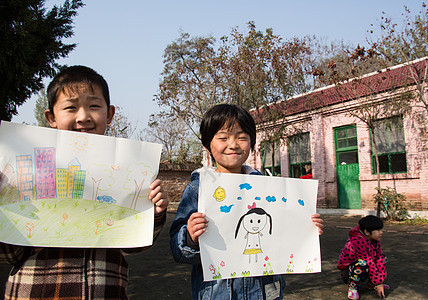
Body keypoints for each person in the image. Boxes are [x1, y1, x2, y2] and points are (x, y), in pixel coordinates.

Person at [0, 65, 168, 299]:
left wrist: (155, 213)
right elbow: (9, 255)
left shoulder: (128, 170)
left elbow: (134, 246)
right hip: (33, 291)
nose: (83, 117)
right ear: (51, 117)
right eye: (70, 107)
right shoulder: (31, 168)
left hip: (105, 291)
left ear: (109, 114)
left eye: (94, 106)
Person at [170, 103, 324, 300]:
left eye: (242, 137)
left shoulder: (269, 189)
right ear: (207, 144)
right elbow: (178, 251)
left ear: (252, 143)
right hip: (218, 293)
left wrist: (307, 229)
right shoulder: (196, 190)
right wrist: (191, 237)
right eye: (223, 137)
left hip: (265, 292)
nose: (233, 144)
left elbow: (284, 235)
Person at [337, 215, 389, 300]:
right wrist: (378, 282)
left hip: (365, 268)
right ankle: (352, 288)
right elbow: (368, 261)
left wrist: (379, 281)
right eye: (378, 230)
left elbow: (378, 258)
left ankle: (371, 284)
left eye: (381, 230)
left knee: (382, 258)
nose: (381, 232)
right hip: (350, 272)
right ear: (367, 232)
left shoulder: (375, 241)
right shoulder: (357, 241)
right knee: (362, 264)